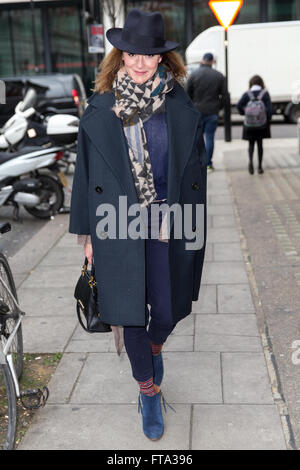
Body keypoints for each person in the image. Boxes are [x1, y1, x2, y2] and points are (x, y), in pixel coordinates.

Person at [69, 8, 207, 441]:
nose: (140, 62)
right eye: (131, 53)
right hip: (116, 225)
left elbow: (195, 175)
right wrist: (88, 236)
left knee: (166, 313)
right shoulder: (101, 108)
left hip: (170, 222)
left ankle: (152, 350)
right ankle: (148, 389)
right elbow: (86, 177)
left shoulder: (180, 107)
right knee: (129, 315)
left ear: (164, 59)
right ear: (120, 56)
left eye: (150, 55)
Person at [186, 52, 227, 171]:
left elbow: (188, 94)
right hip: (212, 111)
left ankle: (198, 163)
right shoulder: (219, 76)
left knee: (197, 139)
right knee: (210, 138)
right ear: (212, 61)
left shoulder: (193, 75)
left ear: (202, 60)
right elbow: (224, 96)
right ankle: (208, 163)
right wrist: (218, 107)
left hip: (197, 111)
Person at [237, 75, 272, 174]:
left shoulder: (247, 94)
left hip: (249, 124)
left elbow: (238, 105)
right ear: (261, 83)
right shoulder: (265, 94)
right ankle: (260, 167)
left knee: (251, 144)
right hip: (261, 124)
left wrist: (245, 113)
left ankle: (250, 162)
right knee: (260, 145)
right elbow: (270, 110)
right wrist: (266, 120)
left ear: (251, 83)